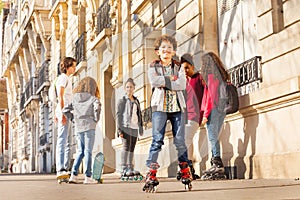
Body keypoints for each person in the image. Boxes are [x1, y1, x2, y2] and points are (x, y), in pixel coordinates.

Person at [143, 34, 192, 191]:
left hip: (177, 108)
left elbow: (182, 84)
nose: (166, 50)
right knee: (157, 140)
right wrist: (171, 79)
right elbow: (154, 81)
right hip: (160, 108)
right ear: (158, 51)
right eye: (163, 47)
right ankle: (151, 172)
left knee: (180, 141)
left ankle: (185, 171)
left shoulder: (179, 67)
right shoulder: (153, 66)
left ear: (173, 51)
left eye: (169, 48)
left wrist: (165, 81)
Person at [63, 76, 101, 184]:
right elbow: (97, 108)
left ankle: (73, 175)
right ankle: (88, 177)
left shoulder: (75, 98)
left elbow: (65, 109)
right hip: (89, 127)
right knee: (88, 151)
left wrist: (73, 119)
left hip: (78, 128)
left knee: (80, 151)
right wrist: (95, 119)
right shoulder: (93, 98)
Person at [200, 51, 229, 179]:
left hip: (214, 110)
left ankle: (217, 163)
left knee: (212, 138)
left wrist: (205, 115)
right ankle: (215, 163)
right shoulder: (220, 76)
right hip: (222, 109)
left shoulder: (211, 77)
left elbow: (210, 97)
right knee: (215, 137)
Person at [181, 53, 205, 180]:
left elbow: (207, 94)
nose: (185, 71)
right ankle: (190, 169)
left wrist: (205, 112)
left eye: (187, 68)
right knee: (188, 142)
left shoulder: (199, 78)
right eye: (183, 68)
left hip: (195, 115)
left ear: (192, 66)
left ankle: (186, 168)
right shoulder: (184, 82)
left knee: (185, 140)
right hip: (186, 116)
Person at [116, 78, 143, 179]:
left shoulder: (136, 101)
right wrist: (119, 130)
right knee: (126, 147)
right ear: (125, 88)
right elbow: (118, 115)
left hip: (134, 127)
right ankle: (123, 168)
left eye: (131, 87)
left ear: (134, 88)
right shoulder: (122, 100)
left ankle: (130, 167)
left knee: (132, 148)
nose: (129, 88)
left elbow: (138, 114)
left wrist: (140, 127)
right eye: (127, 87)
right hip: (125, 127)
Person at [55, 57, 76, 179]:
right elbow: (60, 96)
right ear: (67, 67)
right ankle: (60, 168)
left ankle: (65, 168)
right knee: (62, 140)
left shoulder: (67, 78)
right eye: (73, 66)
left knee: (68, 141)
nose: (75, 68)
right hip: (65, 112)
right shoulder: (63, 78)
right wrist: (62, 113)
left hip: (67, 112)